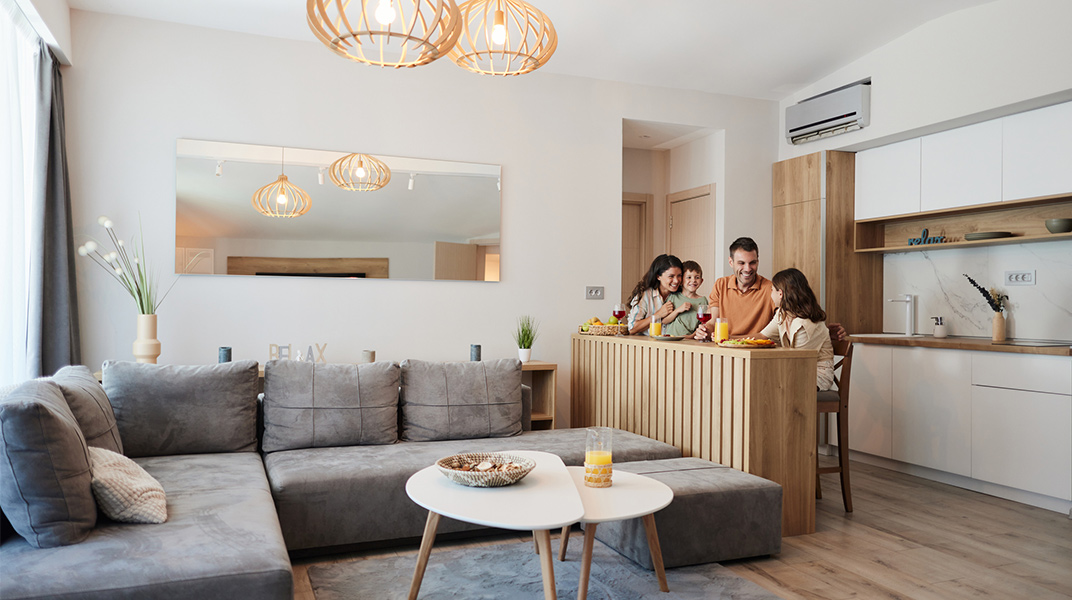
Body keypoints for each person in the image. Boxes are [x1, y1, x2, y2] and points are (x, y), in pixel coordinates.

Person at [694, 237, 846, 341]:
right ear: (730, 262)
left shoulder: (772, 290)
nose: (747, 269)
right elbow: (713, 321)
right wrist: (705, 329)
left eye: (752, 263)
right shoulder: (720, 284)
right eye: (741, 263)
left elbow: (795, 318)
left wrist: (824, 332)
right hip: (725, 351)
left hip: (759, 356)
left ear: (758, 261)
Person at [758, 268, 835, 390]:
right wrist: (729, 339)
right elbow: (762, 336)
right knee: (764, 382)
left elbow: (798, 362)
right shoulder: (783, 313)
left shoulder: (805, 324)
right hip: (795, 370)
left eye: (772, 290)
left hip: (815, 375)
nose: (770, 294)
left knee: (772, 385)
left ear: (780, 293)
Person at [625, 254, 683, 335]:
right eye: (671, 276)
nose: (676, 281)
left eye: (679, 275)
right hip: (649, 345)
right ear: (658, 276)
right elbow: (631, 329)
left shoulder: (681, 296)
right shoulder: (645, 295)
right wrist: (658, 315)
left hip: (674, 345)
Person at [663, 260, 709, 337]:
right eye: (689, 277)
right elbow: (664, 321)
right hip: (670, 341)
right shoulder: (673, 297)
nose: (693, 280)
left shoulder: (702, 300)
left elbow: (702, 326)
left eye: (697, 277)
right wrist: (678, 310)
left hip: (690, 342)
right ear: (681, 281)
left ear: (701, 281)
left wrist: (690, 337)